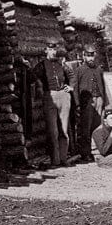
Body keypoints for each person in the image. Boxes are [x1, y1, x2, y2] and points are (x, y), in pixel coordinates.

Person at [34, 39, 73, 168]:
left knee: (64, 129)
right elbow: (32, 76)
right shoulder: (41, 65)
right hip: (49, 96)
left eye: (55, 49)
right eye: (50, 49)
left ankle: (63, 159)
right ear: (46, 50)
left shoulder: (62, 64)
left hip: (63, 95)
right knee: (53, 131)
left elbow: (72, 76)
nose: (53, 52)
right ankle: (55, 160)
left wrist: (71, 87)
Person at [72, 46, 106, 163]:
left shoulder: (99, 69)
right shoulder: (80, 70)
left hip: (99, 100)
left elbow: (103, 86)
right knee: (86, 128)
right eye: (88, 55)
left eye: (92, 55)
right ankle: (85, 153)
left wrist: (104, 100)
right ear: (84, 56)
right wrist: (77, 104)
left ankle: (96, 151)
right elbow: (75, 88)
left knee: (97, 127)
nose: (90, 58)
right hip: (87, 102)